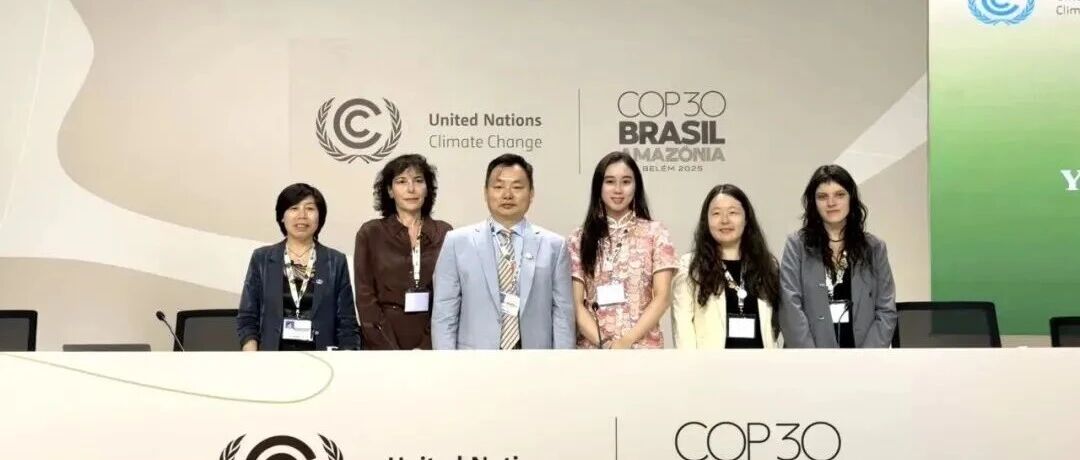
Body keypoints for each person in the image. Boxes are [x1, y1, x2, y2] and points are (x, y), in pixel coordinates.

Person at [431, 153, 574, 349]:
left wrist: (563, 361)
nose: (507, 195)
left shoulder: (554, 246)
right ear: (485, 193)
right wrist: (447, 362)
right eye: (498, 187)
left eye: (517, 187)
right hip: (474, 360)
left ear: (531, 193)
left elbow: (563, 314)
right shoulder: (457, 242)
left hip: (536, 360)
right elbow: (444, 312)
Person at [779, 165, 896, 348]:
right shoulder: (797, 245)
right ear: (813, 202)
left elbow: (886, 311)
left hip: (863, 357)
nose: (831, 203)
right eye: (822, 196)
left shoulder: (874, 248)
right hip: (809, 357)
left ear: (851, 198)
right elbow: (790, 306)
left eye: (839, 195)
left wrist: (866, 358)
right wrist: (811, 358)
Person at [568, 151, 676, 349]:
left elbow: (663, 297)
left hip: (644, 348)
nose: (618, 189)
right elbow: (575, 304)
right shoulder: (579, 238)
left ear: (636, 186)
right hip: (594, 350)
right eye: (610, 182)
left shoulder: (655, 233)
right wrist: (605, 344)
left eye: (626, 182)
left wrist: (626, 341)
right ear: (598, 186)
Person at [237, 183, 360, 351]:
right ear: (282, 216)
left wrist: (347, 358)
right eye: (294, 208)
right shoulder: (262, 258)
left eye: (310, 209)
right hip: (272, 356)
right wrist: (252, 356)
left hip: (322, 358)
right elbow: (247, 317)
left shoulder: (335, 261)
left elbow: (347, 323)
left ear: (320, 217)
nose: (302, 215)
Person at [354, 154, 452, 350]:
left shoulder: (444, 233)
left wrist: (426, 347)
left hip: (433, 340)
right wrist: (390, 350)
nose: (411, 189)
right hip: (382, 341)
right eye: (401, 181)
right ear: (390, 191)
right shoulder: (371, 233)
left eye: (418, 181)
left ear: (427, 189)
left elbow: (450, 298)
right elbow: (365, 299)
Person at [671, 184, 780, 349]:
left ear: (746, 218)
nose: (724, 220)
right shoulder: (690, 266)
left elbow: (774, 326)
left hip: (761, 362)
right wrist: (692, 364)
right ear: (706, 221)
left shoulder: (766, 265)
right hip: (711, 364)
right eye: (716, 213)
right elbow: (682, 329)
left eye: (733, 212)